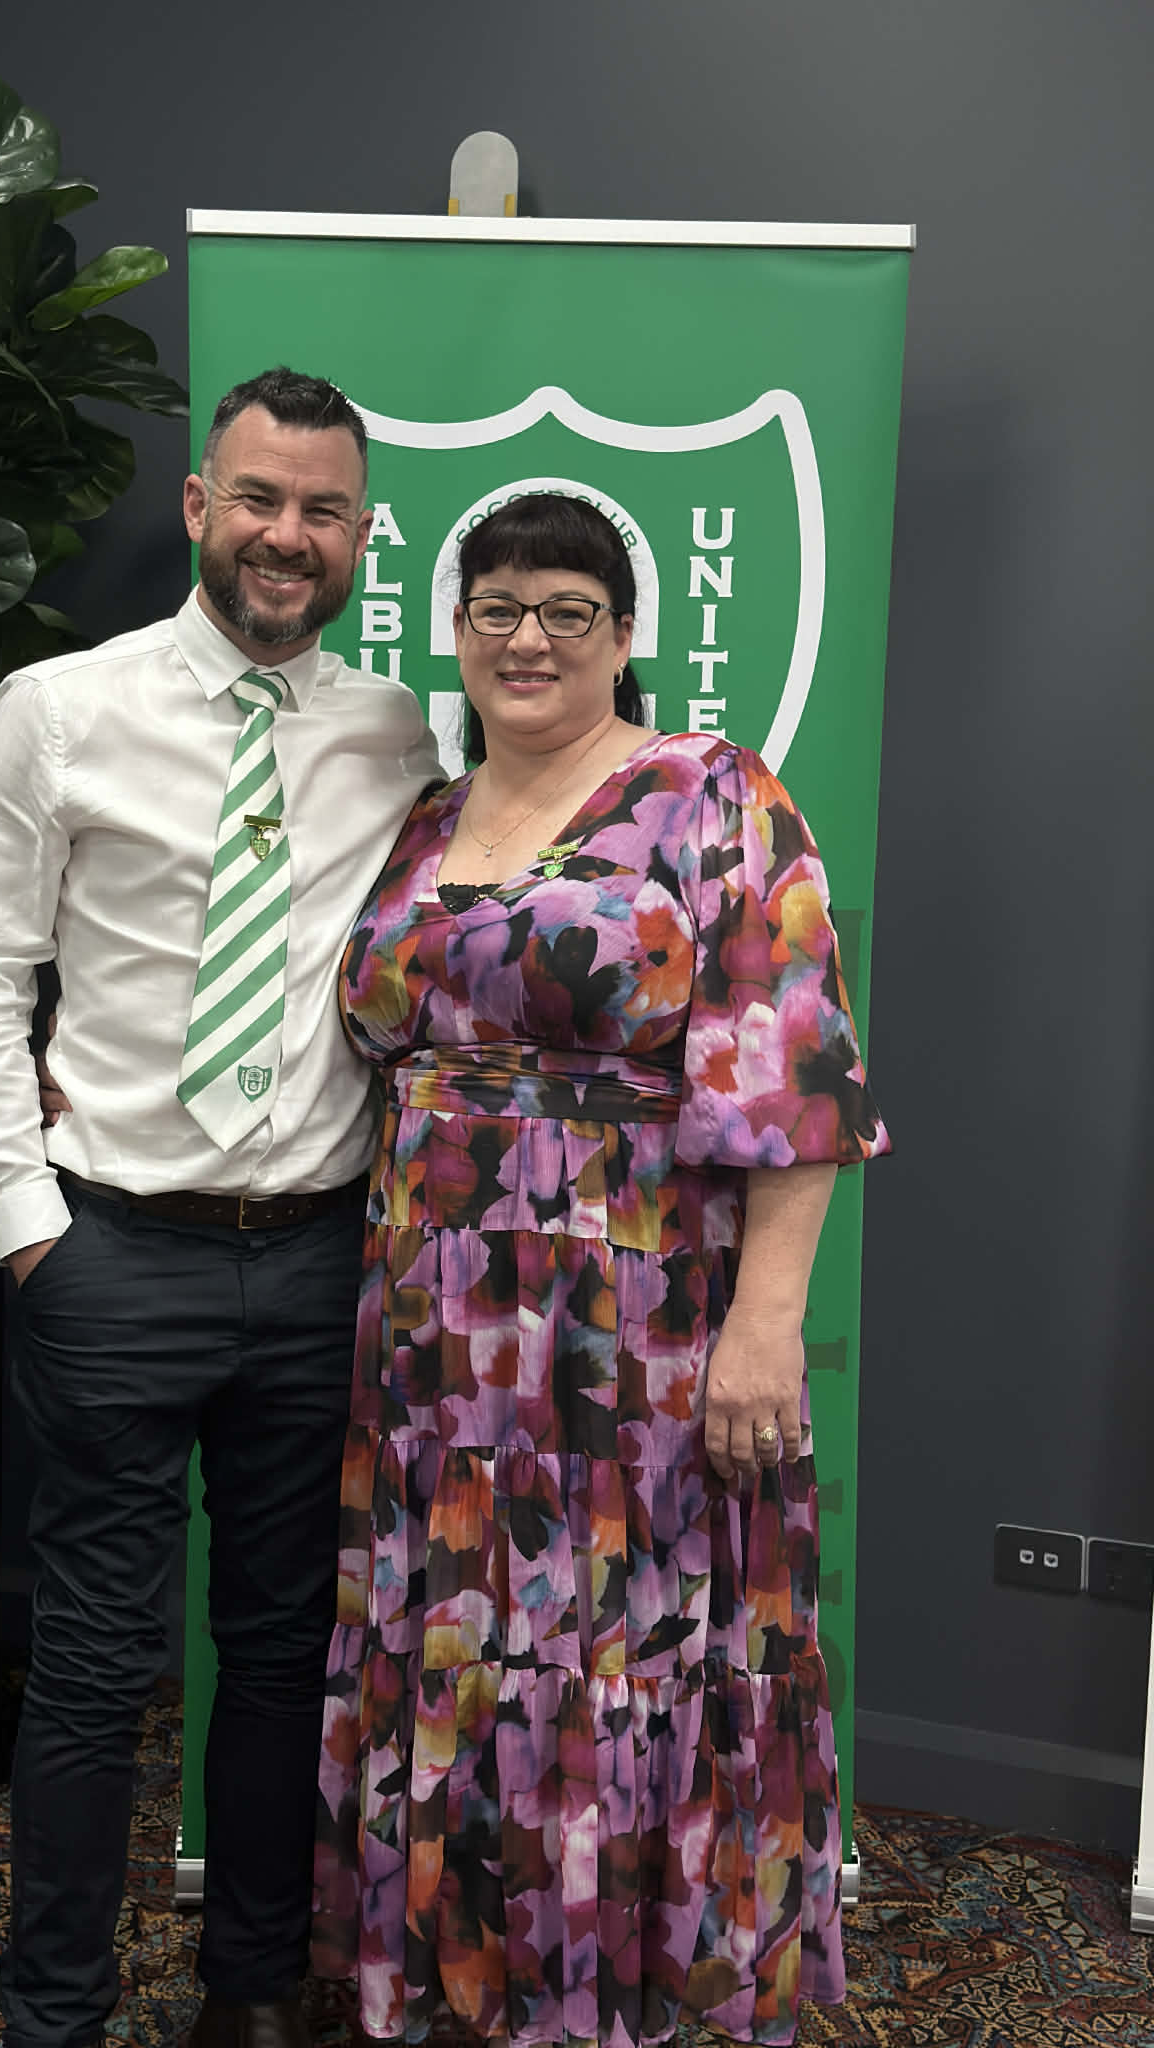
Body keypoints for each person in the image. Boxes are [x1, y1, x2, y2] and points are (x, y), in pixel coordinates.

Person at [310, 494, 890, 2048]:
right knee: (458, 1637)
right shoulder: (428, 819)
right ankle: (456, 1975)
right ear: (455, 630)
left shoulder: (715, 796)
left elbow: (798, 1082)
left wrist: (767, 1331)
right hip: (432, 1332)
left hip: (628, 1332)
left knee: (607, 1639)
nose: (528, 637)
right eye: (497, 605)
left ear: (625, 636)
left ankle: (605, 1988)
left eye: (568, 607)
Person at [0, 366, 441, 2048]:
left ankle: (250, 1994)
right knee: (89, 1662)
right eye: (260, 499)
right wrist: (25, 1220)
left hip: (317, 1261)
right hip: (114, 1252)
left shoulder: (398, 735)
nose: (288, 537)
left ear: (362, 534)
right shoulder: (56, 707)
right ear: (202, 502)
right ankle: (53, 2013)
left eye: (324, 510)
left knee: (283, 1651)